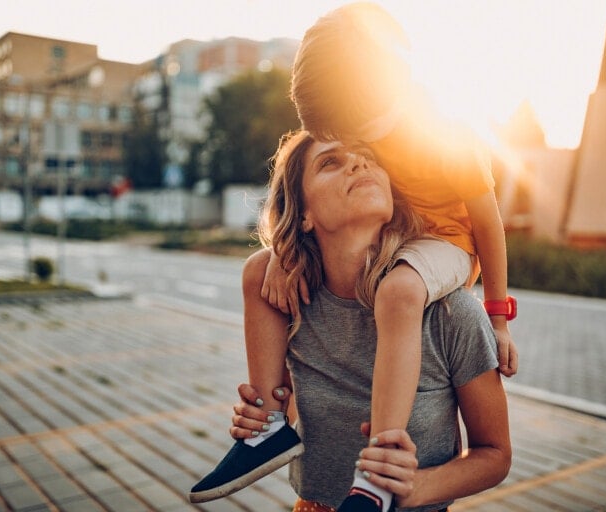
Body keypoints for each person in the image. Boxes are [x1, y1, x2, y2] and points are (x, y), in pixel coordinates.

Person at [190, 3, 518, 510]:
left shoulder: (450, 314)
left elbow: (489, 224)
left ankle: (379, 471)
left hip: (451, 247)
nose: (360, 159)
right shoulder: (292, 293)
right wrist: (269, 409)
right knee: (257, 268)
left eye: (364, 150)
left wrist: (498, 317)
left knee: (400, 290)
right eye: (333, 161)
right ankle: (267, 435)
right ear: (303, 211)